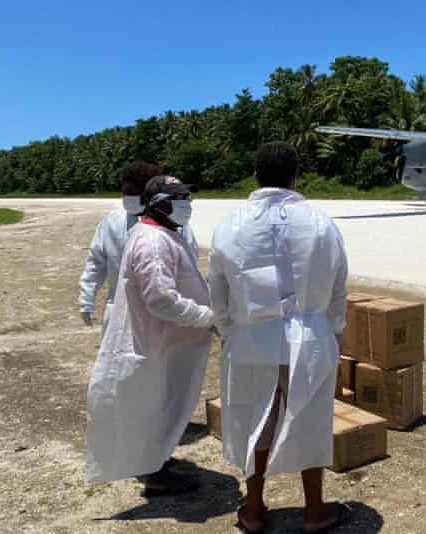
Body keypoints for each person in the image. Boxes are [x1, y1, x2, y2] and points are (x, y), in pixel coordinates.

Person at [208, 142, 350, 533]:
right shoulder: (322, 224)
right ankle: (314, 510)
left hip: (251, 339)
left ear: (255, 175)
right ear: (295, 176)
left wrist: (227, 330)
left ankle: (253, 510)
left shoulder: (230, 225)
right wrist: (334, 332)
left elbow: (217, 290)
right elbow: (339, 285)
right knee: (310, 419)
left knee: (254, 419)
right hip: (310, 337)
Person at [85, 175, 215, 496]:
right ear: (161, 204)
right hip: (153, 342)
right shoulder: (153, 243)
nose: (188, 204)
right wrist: (205, 317)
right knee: (151, 405)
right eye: (181, 198)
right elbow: (160, 299)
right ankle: (153, 473)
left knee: (157, 403)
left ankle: (156, 459)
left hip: (161, 341)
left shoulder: (162, 234)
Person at [78, 162, 199, 332]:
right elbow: (96, 261)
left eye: (135, 194)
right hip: (119, 311)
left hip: (162, 312)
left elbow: (190, 268)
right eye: (126, 194)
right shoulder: (110, 222)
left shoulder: (176, 224)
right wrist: (87, 298)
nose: (129, 199)